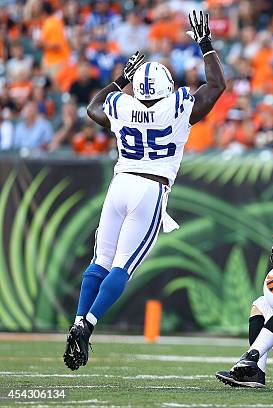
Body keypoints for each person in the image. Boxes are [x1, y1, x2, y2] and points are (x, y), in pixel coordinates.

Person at [63, 10, 226, 371]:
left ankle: (77, 320)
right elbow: (216, 86)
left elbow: (92, 108)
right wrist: (205, 45)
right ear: (167, 86)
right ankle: (88, 327)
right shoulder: (178, 106)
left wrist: (122, 78)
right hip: (150, 189)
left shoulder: (121, 104)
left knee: (100, 261)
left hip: (119, 184)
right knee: (123, 266)